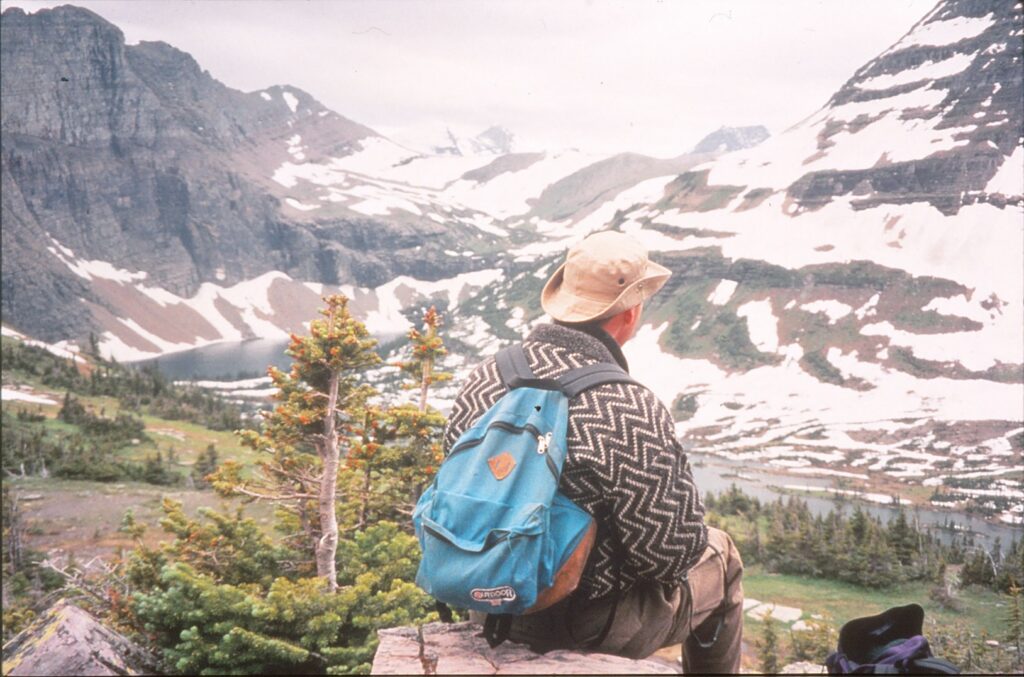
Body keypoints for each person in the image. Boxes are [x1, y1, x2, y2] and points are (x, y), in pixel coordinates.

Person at [445, 230, 744, 673]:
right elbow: (669, 556)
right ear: (630, 312)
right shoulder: (627, 406)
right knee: (722, 557)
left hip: (488, 605)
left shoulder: (486, 377)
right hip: (588, 626)